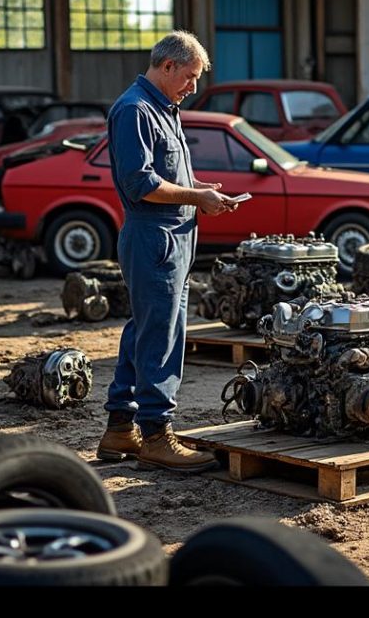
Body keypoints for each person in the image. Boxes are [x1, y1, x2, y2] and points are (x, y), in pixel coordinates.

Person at [97, 30, 238, 472]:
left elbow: (166, 176)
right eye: (190, 77)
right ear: (167, 66)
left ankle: (121, 428)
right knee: (162, 335)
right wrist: (197, 200)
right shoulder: (135, 110)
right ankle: (157, 434)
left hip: (172, 237)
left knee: (146, 330)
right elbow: (140, 184)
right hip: (154, 237)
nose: (193, 87)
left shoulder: (165, 109)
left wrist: (199, 190)